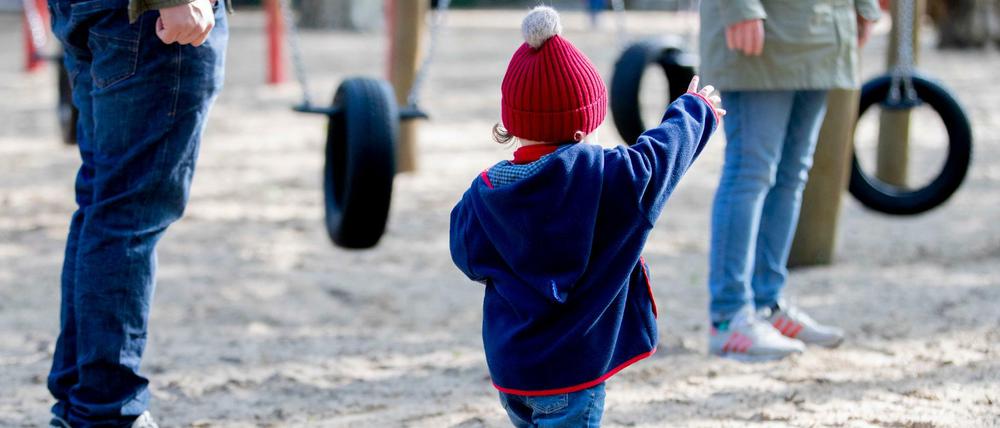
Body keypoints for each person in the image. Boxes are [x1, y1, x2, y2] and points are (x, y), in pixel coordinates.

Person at [449, 7, 724, 427]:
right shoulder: (607, 179)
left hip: (512, 371)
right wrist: (696, 109)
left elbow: (465, 254)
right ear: (581, 130)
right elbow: (661, 156)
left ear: (513, 123)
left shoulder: (484, 195)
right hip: (573, 374)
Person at [46, 0, 230, 426]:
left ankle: (82, 406)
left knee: (104, 205)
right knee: (126, 216)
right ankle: (105, 412)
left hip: (104, 13)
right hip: (149, 18)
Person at [699, 0, 881, 361]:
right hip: (764, 27)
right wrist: (739, 8)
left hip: (826, 29)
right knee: (751, 172)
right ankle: (728, 317)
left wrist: (865, 6)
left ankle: (767, 303)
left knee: (793, 173)